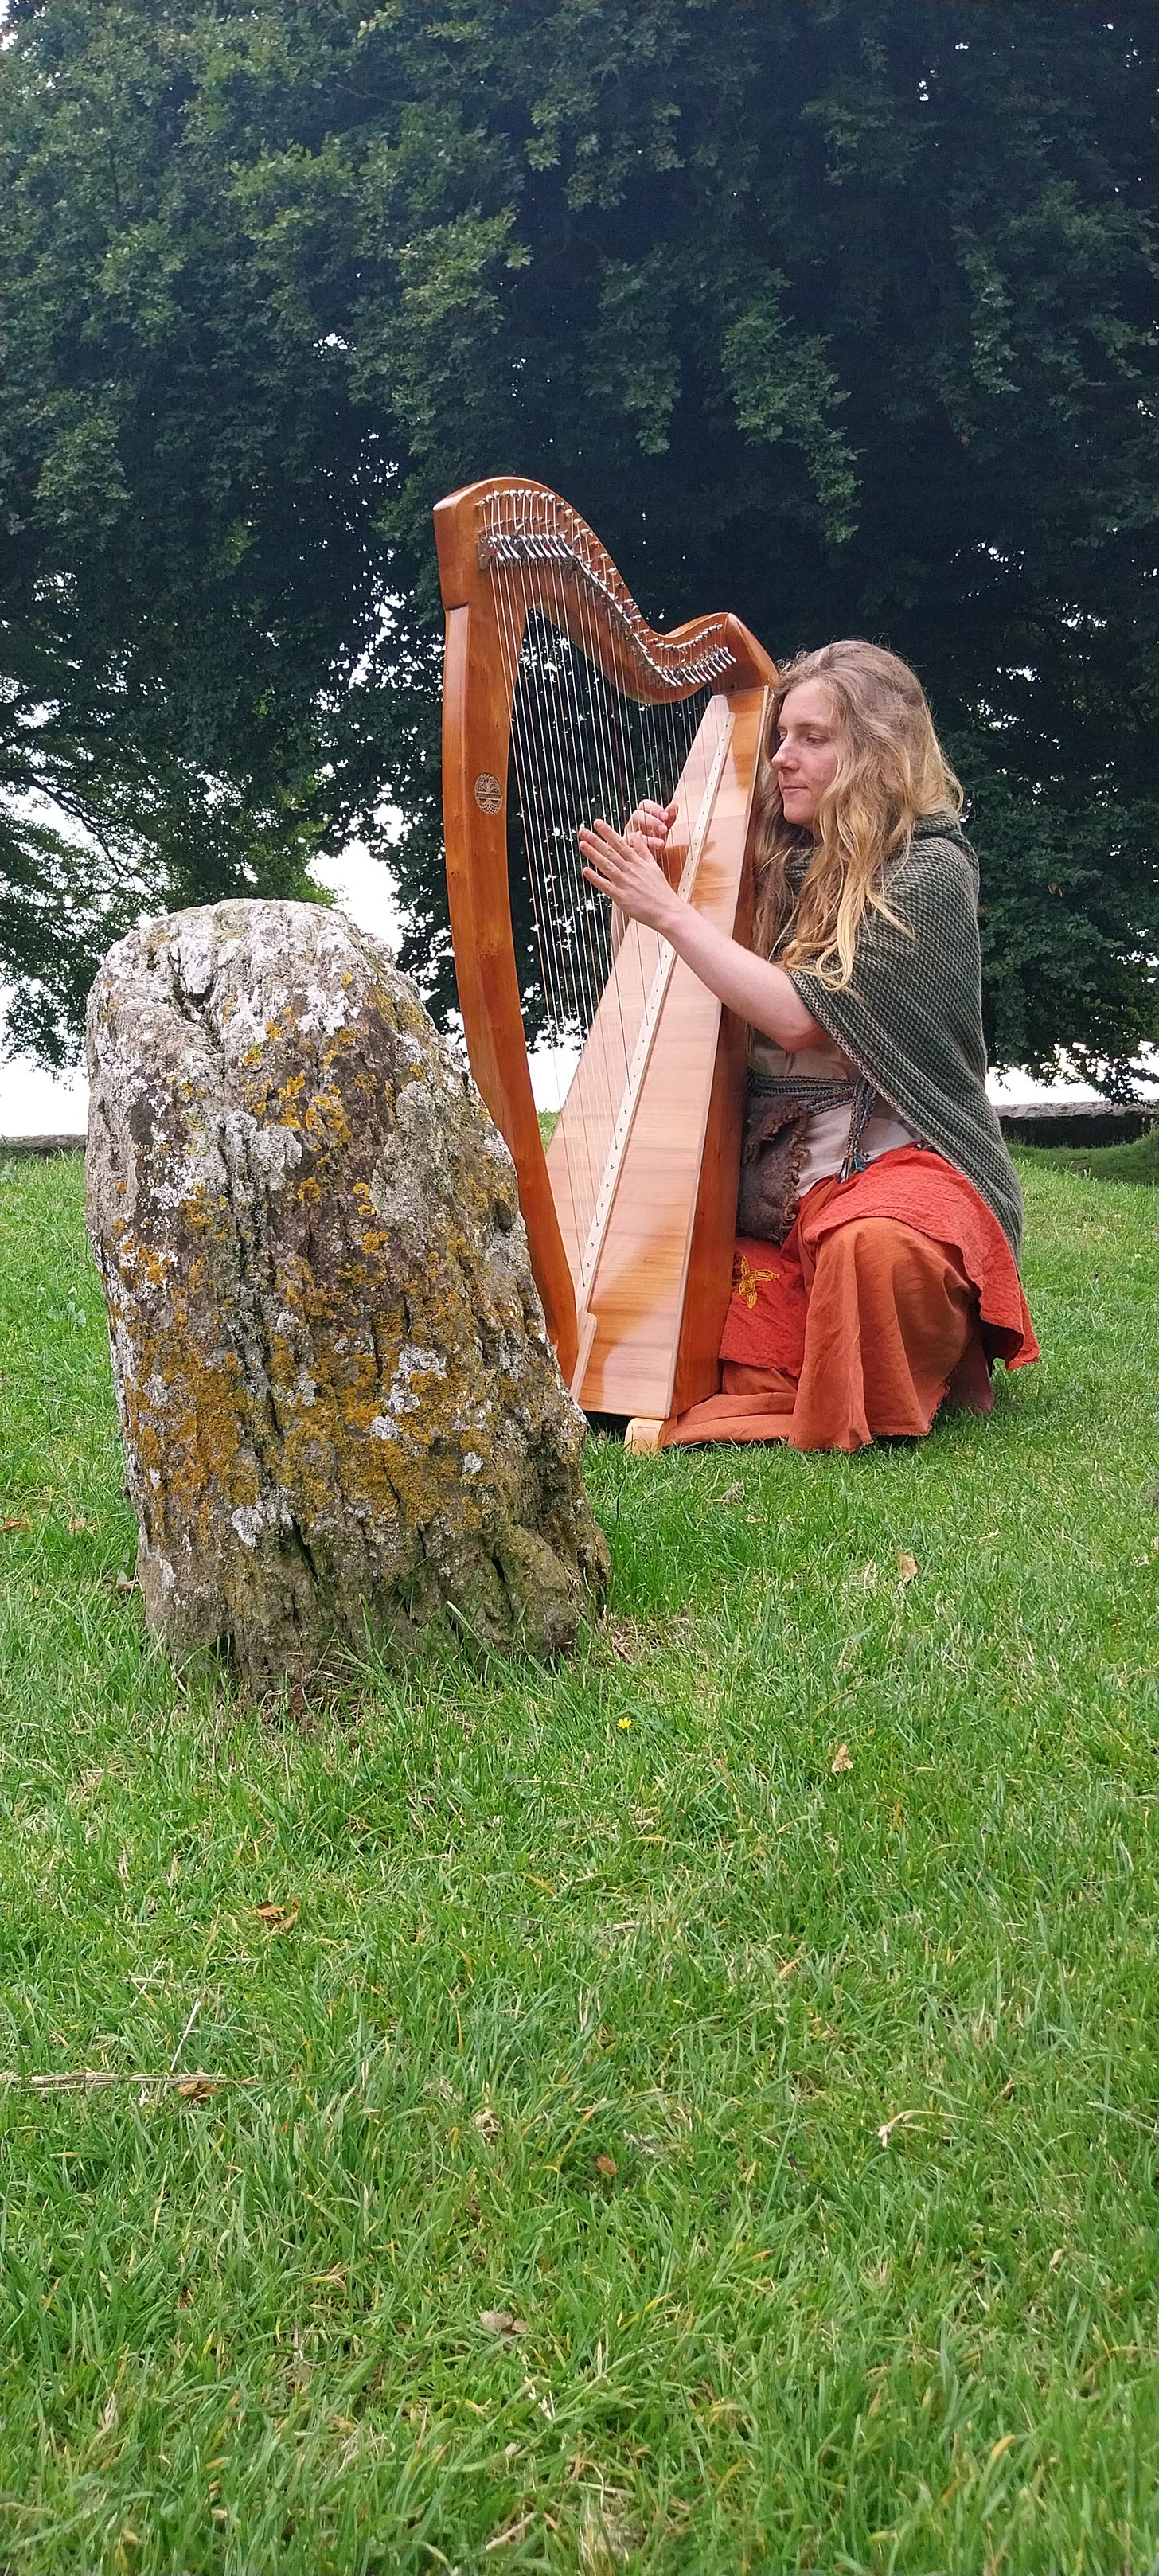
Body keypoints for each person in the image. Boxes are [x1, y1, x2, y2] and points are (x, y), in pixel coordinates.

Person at [578, 639, 1038, 1453]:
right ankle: (819, 1369)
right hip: (776, 1192)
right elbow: (652, 979)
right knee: (659, 1286)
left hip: (895, 1172)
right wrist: (652, 882)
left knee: (870, 1253)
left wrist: (671, 911)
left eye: (812, 738)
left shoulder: (927, 873)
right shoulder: (764, 859)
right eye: (782, 735)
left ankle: (895, 1359)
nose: (782, 758)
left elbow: (800, 1018)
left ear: (875, 752)